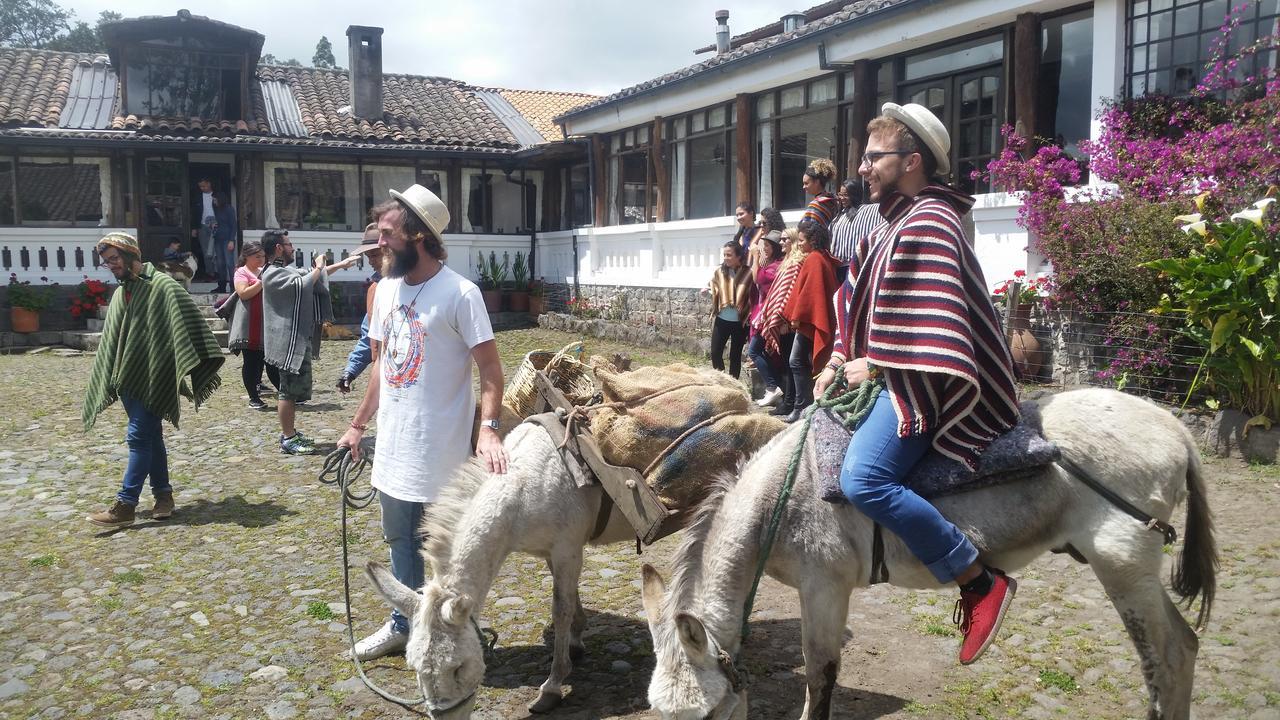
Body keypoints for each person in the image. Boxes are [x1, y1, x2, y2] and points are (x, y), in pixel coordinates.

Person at [814, 103, 1022, 665]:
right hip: (889, 375)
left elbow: (939, 326)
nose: (862, 169)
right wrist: (838, 358)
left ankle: (976, 579)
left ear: (910, 161)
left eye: (872, 158)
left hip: (918, 388)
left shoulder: (931, 220)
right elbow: (858, 300)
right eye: (862, 158)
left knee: (864, 480)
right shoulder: (893, 223)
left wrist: (876, 366)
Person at [337, 184, 509, 660]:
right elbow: (381, 367)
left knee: (445, 550)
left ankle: (456, 627)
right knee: (398, 540)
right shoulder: (386, 290)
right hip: (393, 447)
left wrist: (489, 430)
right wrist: (357, 425)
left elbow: (492, 371)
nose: (379, 242)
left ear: (417, 235)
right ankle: (402, 623)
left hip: (442, 451)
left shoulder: (461, 293)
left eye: (388, 234)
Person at [83, 232, 224, 527]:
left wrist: (185, 358)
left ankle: (125, 505)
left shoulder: (162, 286)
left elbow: (189, 320)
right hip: (129, 378)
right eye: (106, 262)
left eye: (114, 259)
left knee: (137, 437)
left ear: (131, 254)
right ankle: (163, 495)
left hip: (156, 374)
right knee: (151, 437)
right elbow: (116, 339)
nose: (111, 266)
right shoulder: (123, 292)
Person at [260, 229, 359, 454]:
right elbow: (302, 284)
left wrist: (340, 265)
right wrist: (317, 267)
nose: (292, 247)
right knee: (287, 390)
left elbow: (312, 277)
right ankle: (288, 438)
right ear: (278, 248)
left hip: (296, 338)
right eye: (288, 243)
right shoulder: (271, 273)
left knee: (294, 390)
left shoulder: (285, 270)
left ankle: (291, 432)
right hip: (286, 341)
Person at [780, 218, 840, 422]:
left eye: (802, 240)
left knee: (795, 361)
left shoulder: (815, 258)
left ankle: (802, 407)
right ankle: (805, 406)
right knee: (800, 361)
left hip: (809, 320)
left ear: (813, 240)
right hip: (811, 320)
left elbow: (810, 295)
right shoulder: (822, 257)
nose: (799, 244)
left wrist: (798, 316)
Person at [758, 227, 806, 417]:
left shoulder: (796, 263)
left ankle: (792, 403)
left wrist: (784, 317)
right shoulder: (788, 261)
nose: (781, 242)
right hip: (784, 320)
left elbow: (791, 293)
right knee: (787, 362)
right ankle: (789, 401)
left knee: (792, 363)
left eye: (786, 239)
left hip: (789, 321)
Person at [228, 241, 280, 410]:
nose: (261, 259)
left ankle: (285, 393)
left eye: (263, 256)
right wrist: (261, 281)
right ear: (247, 257)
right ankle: (254, 396)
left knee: (271, 361)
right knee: (252, 361)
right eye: (257, 256)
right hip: (249, 325)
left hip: (267, 323)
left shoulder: (265, 271)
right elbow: (243, 293)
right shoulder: (241, 272)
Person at [337, 224, 384, 394]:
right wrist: (350, 372)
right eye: (368, 256)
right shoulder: (375, 288)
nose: (370, 261)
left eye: (375, 255)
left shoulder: (415, 284)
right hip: (385, 375)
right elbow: (368, 336)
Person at [746, 227, 785, 406]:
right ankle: (773, 387)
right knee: (762, 352)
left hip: (767, 315)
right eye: (765, 245)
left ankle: (772, 387)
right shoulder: (771, 263)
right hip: (762, 314)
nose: (765, 248)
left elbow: (756, 278)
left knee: (753, 351)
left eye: (769, 246)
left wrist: (755, 257)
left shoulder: (775, 267)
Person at [707, 241, 752, 379]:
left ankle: (733, 385)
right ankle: (721, 380)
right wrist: (708, 290)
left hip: (740, 322)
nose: (725, 258)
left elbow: (752, 295)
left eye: (729, 255)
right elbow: (713, 287)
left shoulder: (748, 273)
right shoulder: (720, 271)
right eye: (724, 255)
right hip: (722, 319)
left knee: (735, 356)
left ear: (739, 256)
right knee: (715, 352)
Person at [828, 179, 886, 286]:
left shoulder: (869, 210)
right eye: (840, 194)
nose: (841, 198)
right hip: (838, 266)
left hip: (856, 266)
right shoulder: (838, 217)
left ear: (855, 195)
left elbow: (884, 209)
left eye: (846, 195)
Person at [211, 191, 239, 294]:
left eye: (215, 199)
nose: (214, 201)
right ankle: (221, 286)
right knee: (220, 263)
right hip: (218, 238)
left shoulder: (228, 209)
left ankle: (233, 286)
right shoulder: (216, 209)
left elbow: (233, 225)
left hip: (228, 238)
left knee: (229, 263)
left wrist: (232, 240)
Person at [801, 158, 839, 228]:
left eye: (806, 183)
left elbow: (806, 231)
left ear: (817, 182)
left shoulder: (815, 206)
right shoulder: (834, 200)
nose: (804, 187)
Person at [194, 178, 217, 281]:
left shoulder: (217, 195)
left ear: (209, 183)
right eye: (200, 186)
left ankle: (219, 273)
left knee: (217, 250)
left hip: (216, 226)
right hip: (202, 225)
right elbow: (194, 213)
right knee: (206, 251)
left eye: (204, 186)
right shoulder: (198, 197)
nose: (202, 188)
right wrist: (194, 227)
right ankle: (210, 273)